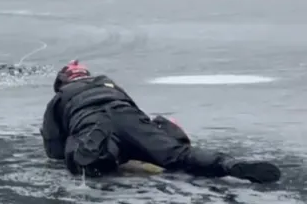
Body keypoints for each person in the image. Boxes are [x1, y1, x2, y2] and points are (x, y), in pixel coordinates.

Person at [42, 60, 281, 183]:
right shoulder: (110, 85)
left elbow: (54, 149)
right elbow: (136, 112)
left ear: (61, 82)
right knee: (177, 155)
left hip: (89, 120)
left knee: (83, 163)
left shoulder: (60, 98)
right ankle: (228, 164)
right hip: (127, 115)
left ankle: (95, 152)